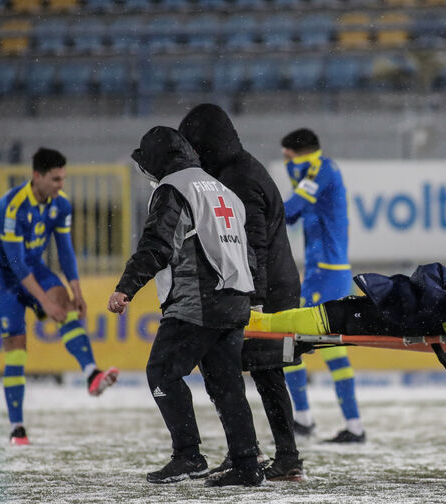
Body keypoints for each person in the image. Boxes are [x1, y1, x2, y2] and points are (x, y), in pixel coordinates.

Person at [107, 126, 262, 487]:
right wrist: (249, 296)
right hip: (235, 298)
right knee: (227, 385)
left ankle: (188, 456)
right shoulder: (223, 190)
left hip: (199, 301)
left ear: (159, 160)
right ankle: (246, 463)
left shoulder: (174, 188)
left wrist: (126, 287)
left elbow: (158, 245)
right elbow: (249, 252)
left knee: (162, 372)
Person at [179, 103, 304, 481]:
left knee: (260, 373)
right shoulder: (239, 169)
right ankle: (254, 453)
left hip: (266, 291)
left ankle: (280, 457)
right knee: (243, 372)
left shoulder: (238, 177)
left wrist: (255, 299)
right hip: (265, 286)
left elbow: (254, 243)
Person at [0, 147, 118, 446]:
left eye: (63, 178)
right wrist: (43, 302)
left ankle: (91, 374)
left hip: (35, 269)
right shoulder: (12, 207)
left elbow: (66, 250)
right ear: (37, 176)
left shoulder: (61, 205)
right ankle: (17, 428)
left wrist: (77, 291)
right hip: (3, 280)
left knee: (66, 303)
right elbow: (16, 265)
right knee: (16, 347)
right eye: (55, 179)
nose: (61, 185)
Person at [281, 128, 364, 443]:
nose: (285, 160)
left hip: (328, 273)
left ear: (297, 151)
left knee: (316, 345)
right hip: (320, 271)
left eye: (287, 153)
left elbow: (290, 210)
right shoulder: (309, 170)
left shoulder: (322, 169)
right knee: (294, 343)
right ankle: (307, 419)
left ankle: (346, 425)